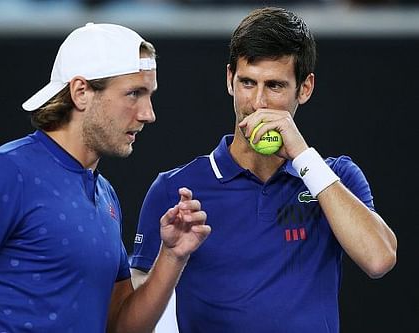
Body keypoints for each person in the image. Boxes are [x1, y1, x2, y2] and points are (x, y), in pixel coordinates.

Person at [0, 23, 211, 333]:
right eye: (134, 94)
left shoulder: (104, 195)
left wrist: (171, 255)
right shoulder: (3, 173)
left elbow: (121, 328)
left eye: (149, 95)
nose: (147, 113)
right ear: (81, 92)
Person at [131, 7, 397, 333]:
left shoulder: (335, 177)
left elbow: (379, 259)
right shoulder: (174, 188)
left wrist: (300, 153)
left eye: (274, 86)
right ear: (230, 79)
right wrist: (172, 258)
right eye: (247, 82)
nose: (257, 103)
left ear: (305, 88)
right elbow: (137, 313)